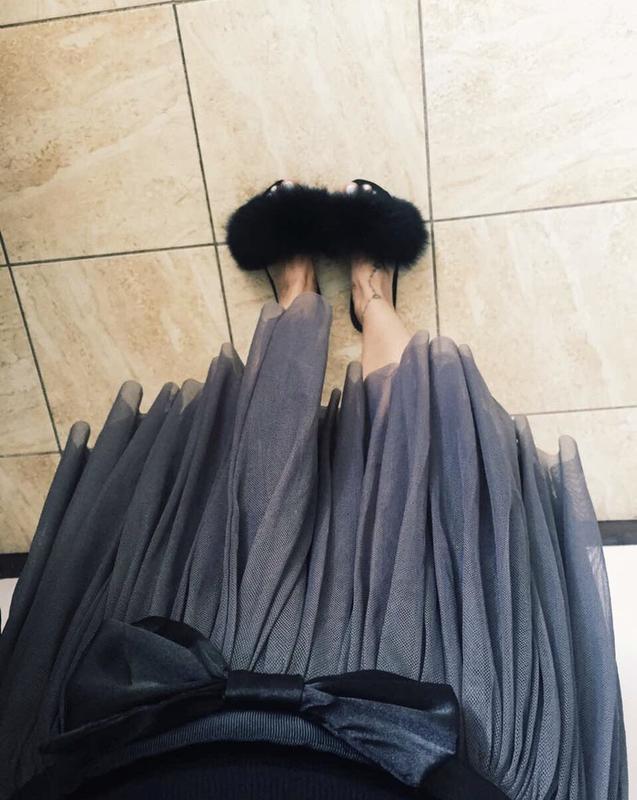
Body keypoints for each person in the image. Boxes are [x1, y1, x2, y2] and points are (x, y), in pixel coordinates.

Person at [0, 180, 627, 800]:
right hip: (414, 747)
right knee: (430, 501)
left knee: (238, 504)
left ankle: (299, 293)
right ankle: (371, 301)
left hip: (156, 734)